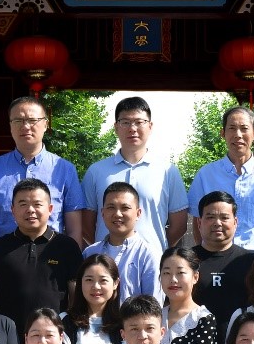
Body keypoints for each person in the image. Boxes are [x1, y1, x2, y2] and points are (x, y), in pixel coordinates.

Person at [0, 96, 87, 246]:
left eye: (32, 120)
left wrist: (73, 258)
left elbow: (74, 229)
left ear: (45, 124)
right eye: (18, 121)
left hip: (52, 256)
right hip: (2, 256)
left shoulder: (65, 169)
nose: (25, 126)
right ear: (10, 126)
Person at [81, 95, 188, 250]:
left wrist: (157, 250)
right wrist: (104, 250)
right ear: (116, 127)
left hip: (153, 261)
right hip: (105, 262)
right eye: (125, 122)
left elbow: (179, 225)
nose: (132, 128)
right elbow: (86, 224)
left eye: (139, 122)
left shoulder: (167, 171)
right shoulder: (96, 171)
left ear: (150, 126)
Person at [188, 105, 254, 251]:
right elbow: (198, 221)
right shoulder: (206, 174)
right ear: (223, 133)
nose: (238, 135)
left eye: (244, 128)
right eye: (232, 128)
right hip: (218, 257)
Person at [0, 178, 83, 329]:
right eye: (23, 204)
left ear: (50, 209)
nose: (30, 210)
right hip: (8, 336)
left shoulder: (67, 247)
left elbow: (76, 298)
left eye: (37, 204)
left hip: (53, 336)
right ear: (13, 210)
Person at [192, 191, 254, 344]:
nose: (217, 223)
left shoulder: (253, 261)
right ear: (199, 222)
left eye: (224, 217)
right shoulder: (184, 260)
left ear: (235, 222)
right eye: (210, 217)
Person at [83, 181, 161, 301]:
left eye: (125, 208)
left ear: (138, 213)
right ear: (102, 213)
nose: (118, 214)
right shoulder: (90, 253)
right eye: (111, 207)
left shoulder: (149, 256)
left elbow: (153, 305)